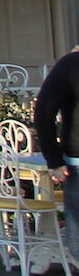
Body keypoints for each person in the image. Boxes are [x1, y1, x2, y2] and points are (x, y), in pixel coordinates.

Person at [34, 44, 79, 241]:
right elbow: (44, 111)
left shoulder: (71, 63)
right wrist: (53, 158)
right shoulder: (72, 64)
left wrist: (53, 158)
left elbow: (44, 110)